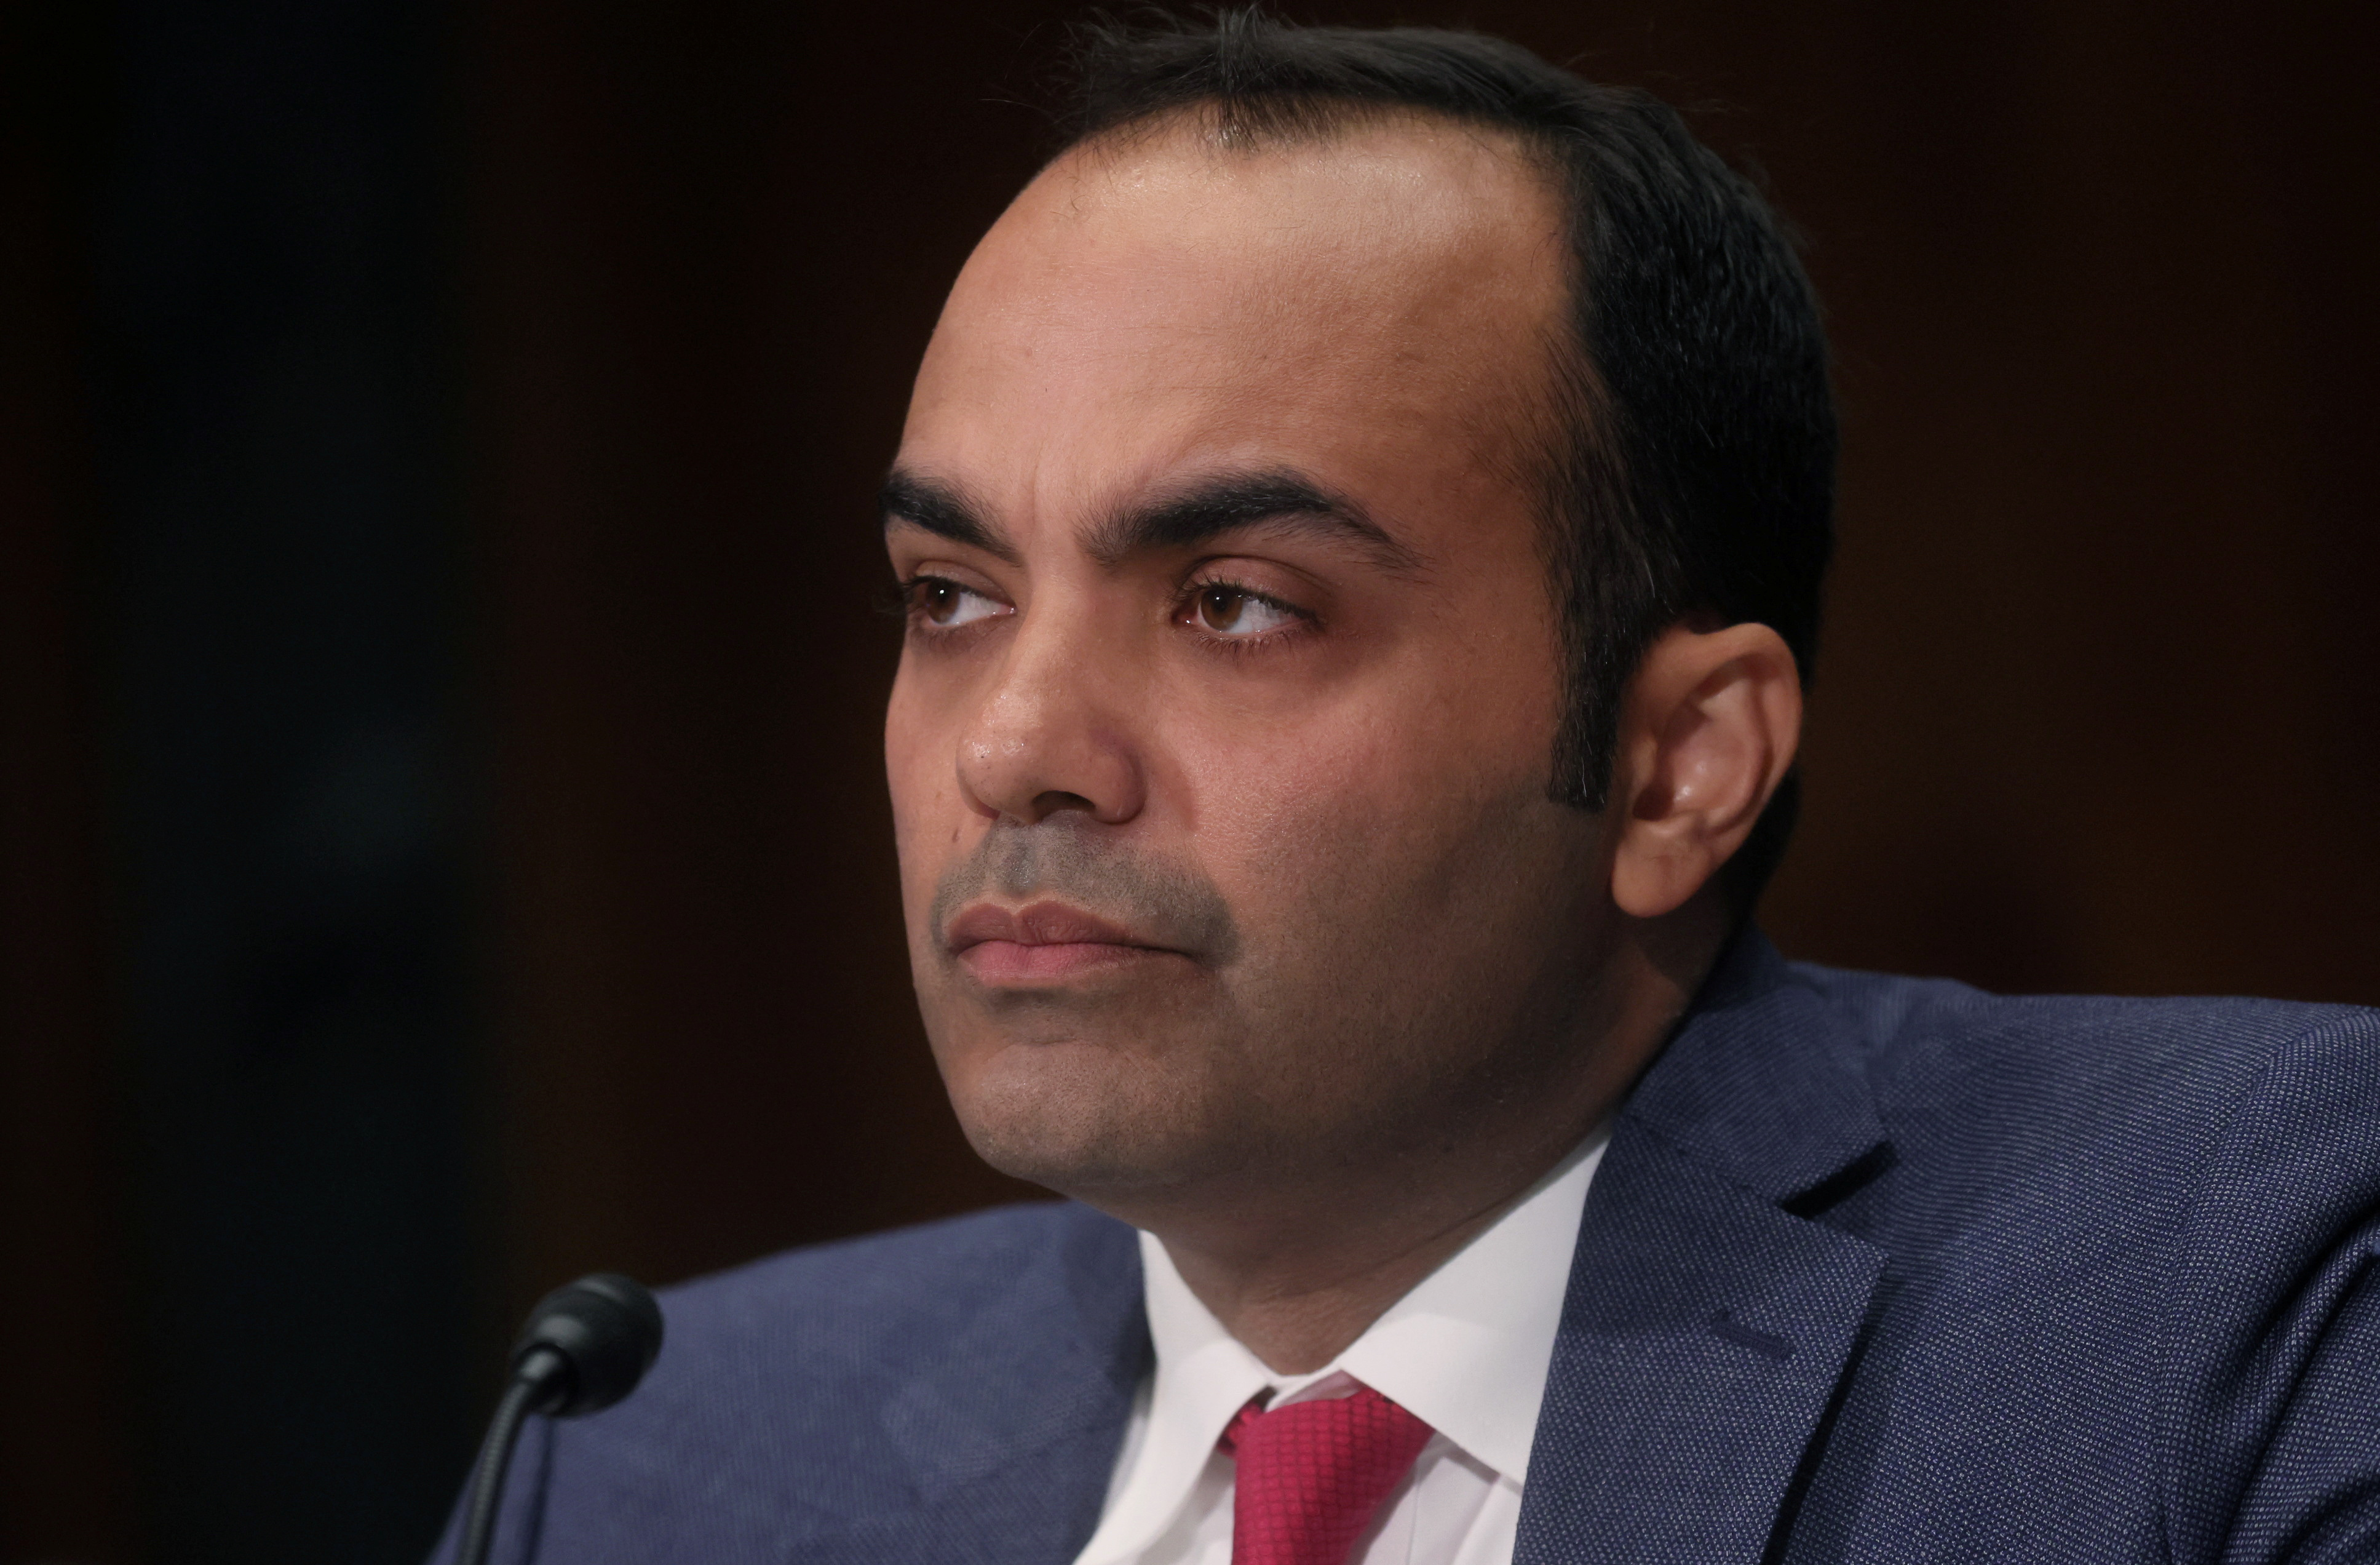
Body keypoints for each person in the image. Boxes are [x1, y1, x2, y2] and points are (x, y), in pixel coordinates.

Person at [437, 12, 2380, 1563]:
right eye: (950, 596)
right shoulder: (652, 1454)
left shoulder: (2227, 1296)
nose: (1010, 745)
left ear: (1676, 767)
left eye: (1235, 605)